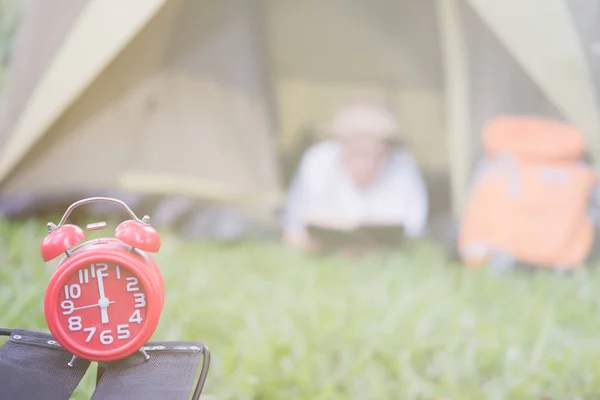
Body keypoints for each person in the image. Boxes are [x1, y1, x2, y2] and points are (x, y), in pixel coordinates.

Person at [281, 99, 428, 252]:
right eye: (357, 154)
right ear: (340, 145)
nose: (367, 164)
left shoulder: (402, 165)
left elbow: (413, 227)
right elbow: (295, 222)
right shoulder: (318, 160)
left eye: (377, 155)